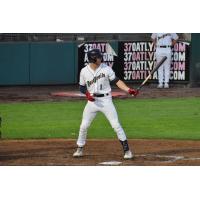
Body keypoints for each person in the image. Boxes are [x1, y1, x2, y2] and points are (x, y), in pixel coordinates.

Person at [73, 48, 139, 159]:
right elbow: (81, 87)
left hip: (106, 101)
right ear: (93, 59)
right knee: (84, 126)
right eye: (98, 57)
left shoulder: (106, 69)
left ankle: (127, 151)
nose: (100, 58)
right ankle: (79, 149)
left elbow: (117, 81)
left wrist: (128, 89)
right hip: (92, 102)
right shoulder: (84, 71)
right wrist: (87, 94)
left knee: (116, 125)